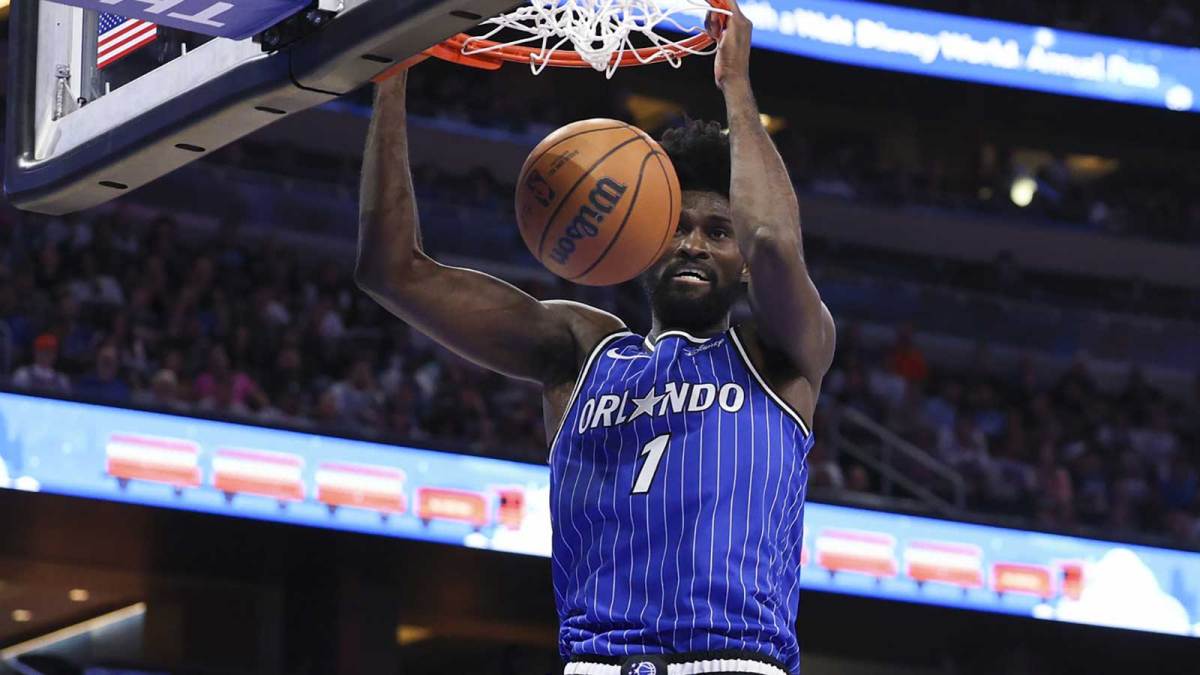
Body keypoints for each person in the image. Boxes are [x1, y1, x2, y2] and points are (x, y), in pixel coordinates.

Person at [354, 3, 834, 673]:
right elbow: (392, 271)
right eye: (677, 225)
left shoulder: (778, 356)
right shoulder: (583, 351)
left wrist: (736, 85)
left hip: (734, 659)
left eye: (716, 232)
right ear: (640, 237)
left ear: (742, 261)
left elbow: (773, 239)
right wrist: (391, 72)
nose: (694, 242)